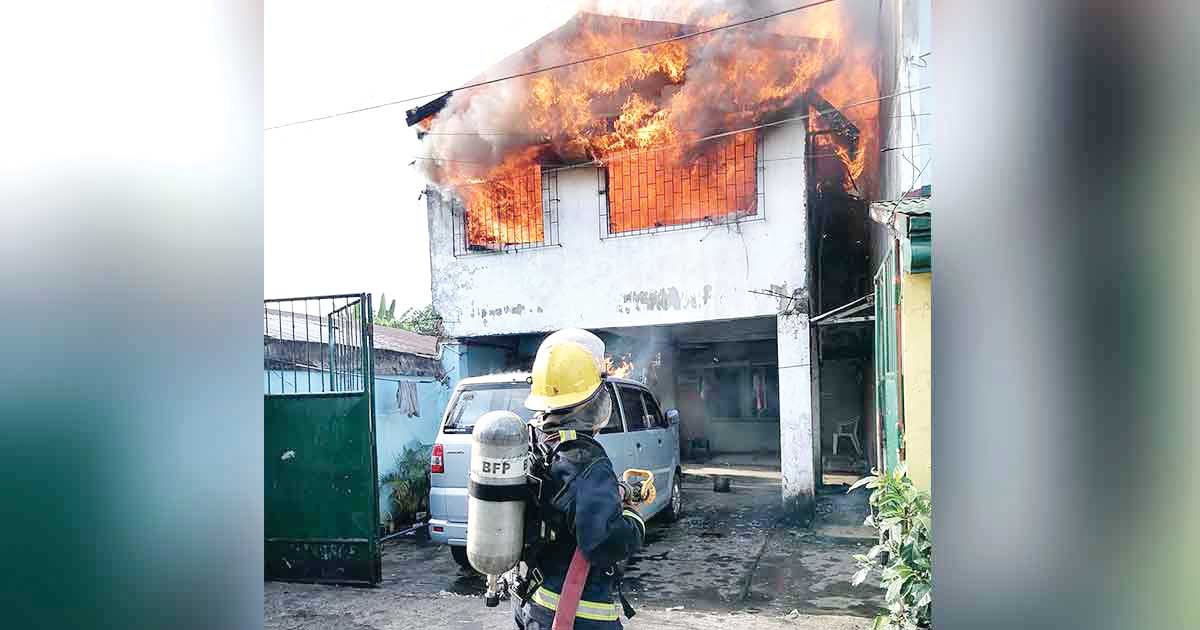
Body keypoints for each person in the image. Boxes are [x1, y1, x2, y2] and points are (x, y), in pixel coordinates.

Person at [512, 329, 648, 630]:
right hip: (577, 616)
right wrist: (634, 517)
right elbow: (604, 543)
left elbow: (564, 505)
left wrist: (618, 490)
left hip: (535, 604)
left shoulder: (539, 441)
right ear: (591, 398)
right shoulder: (585, 458)